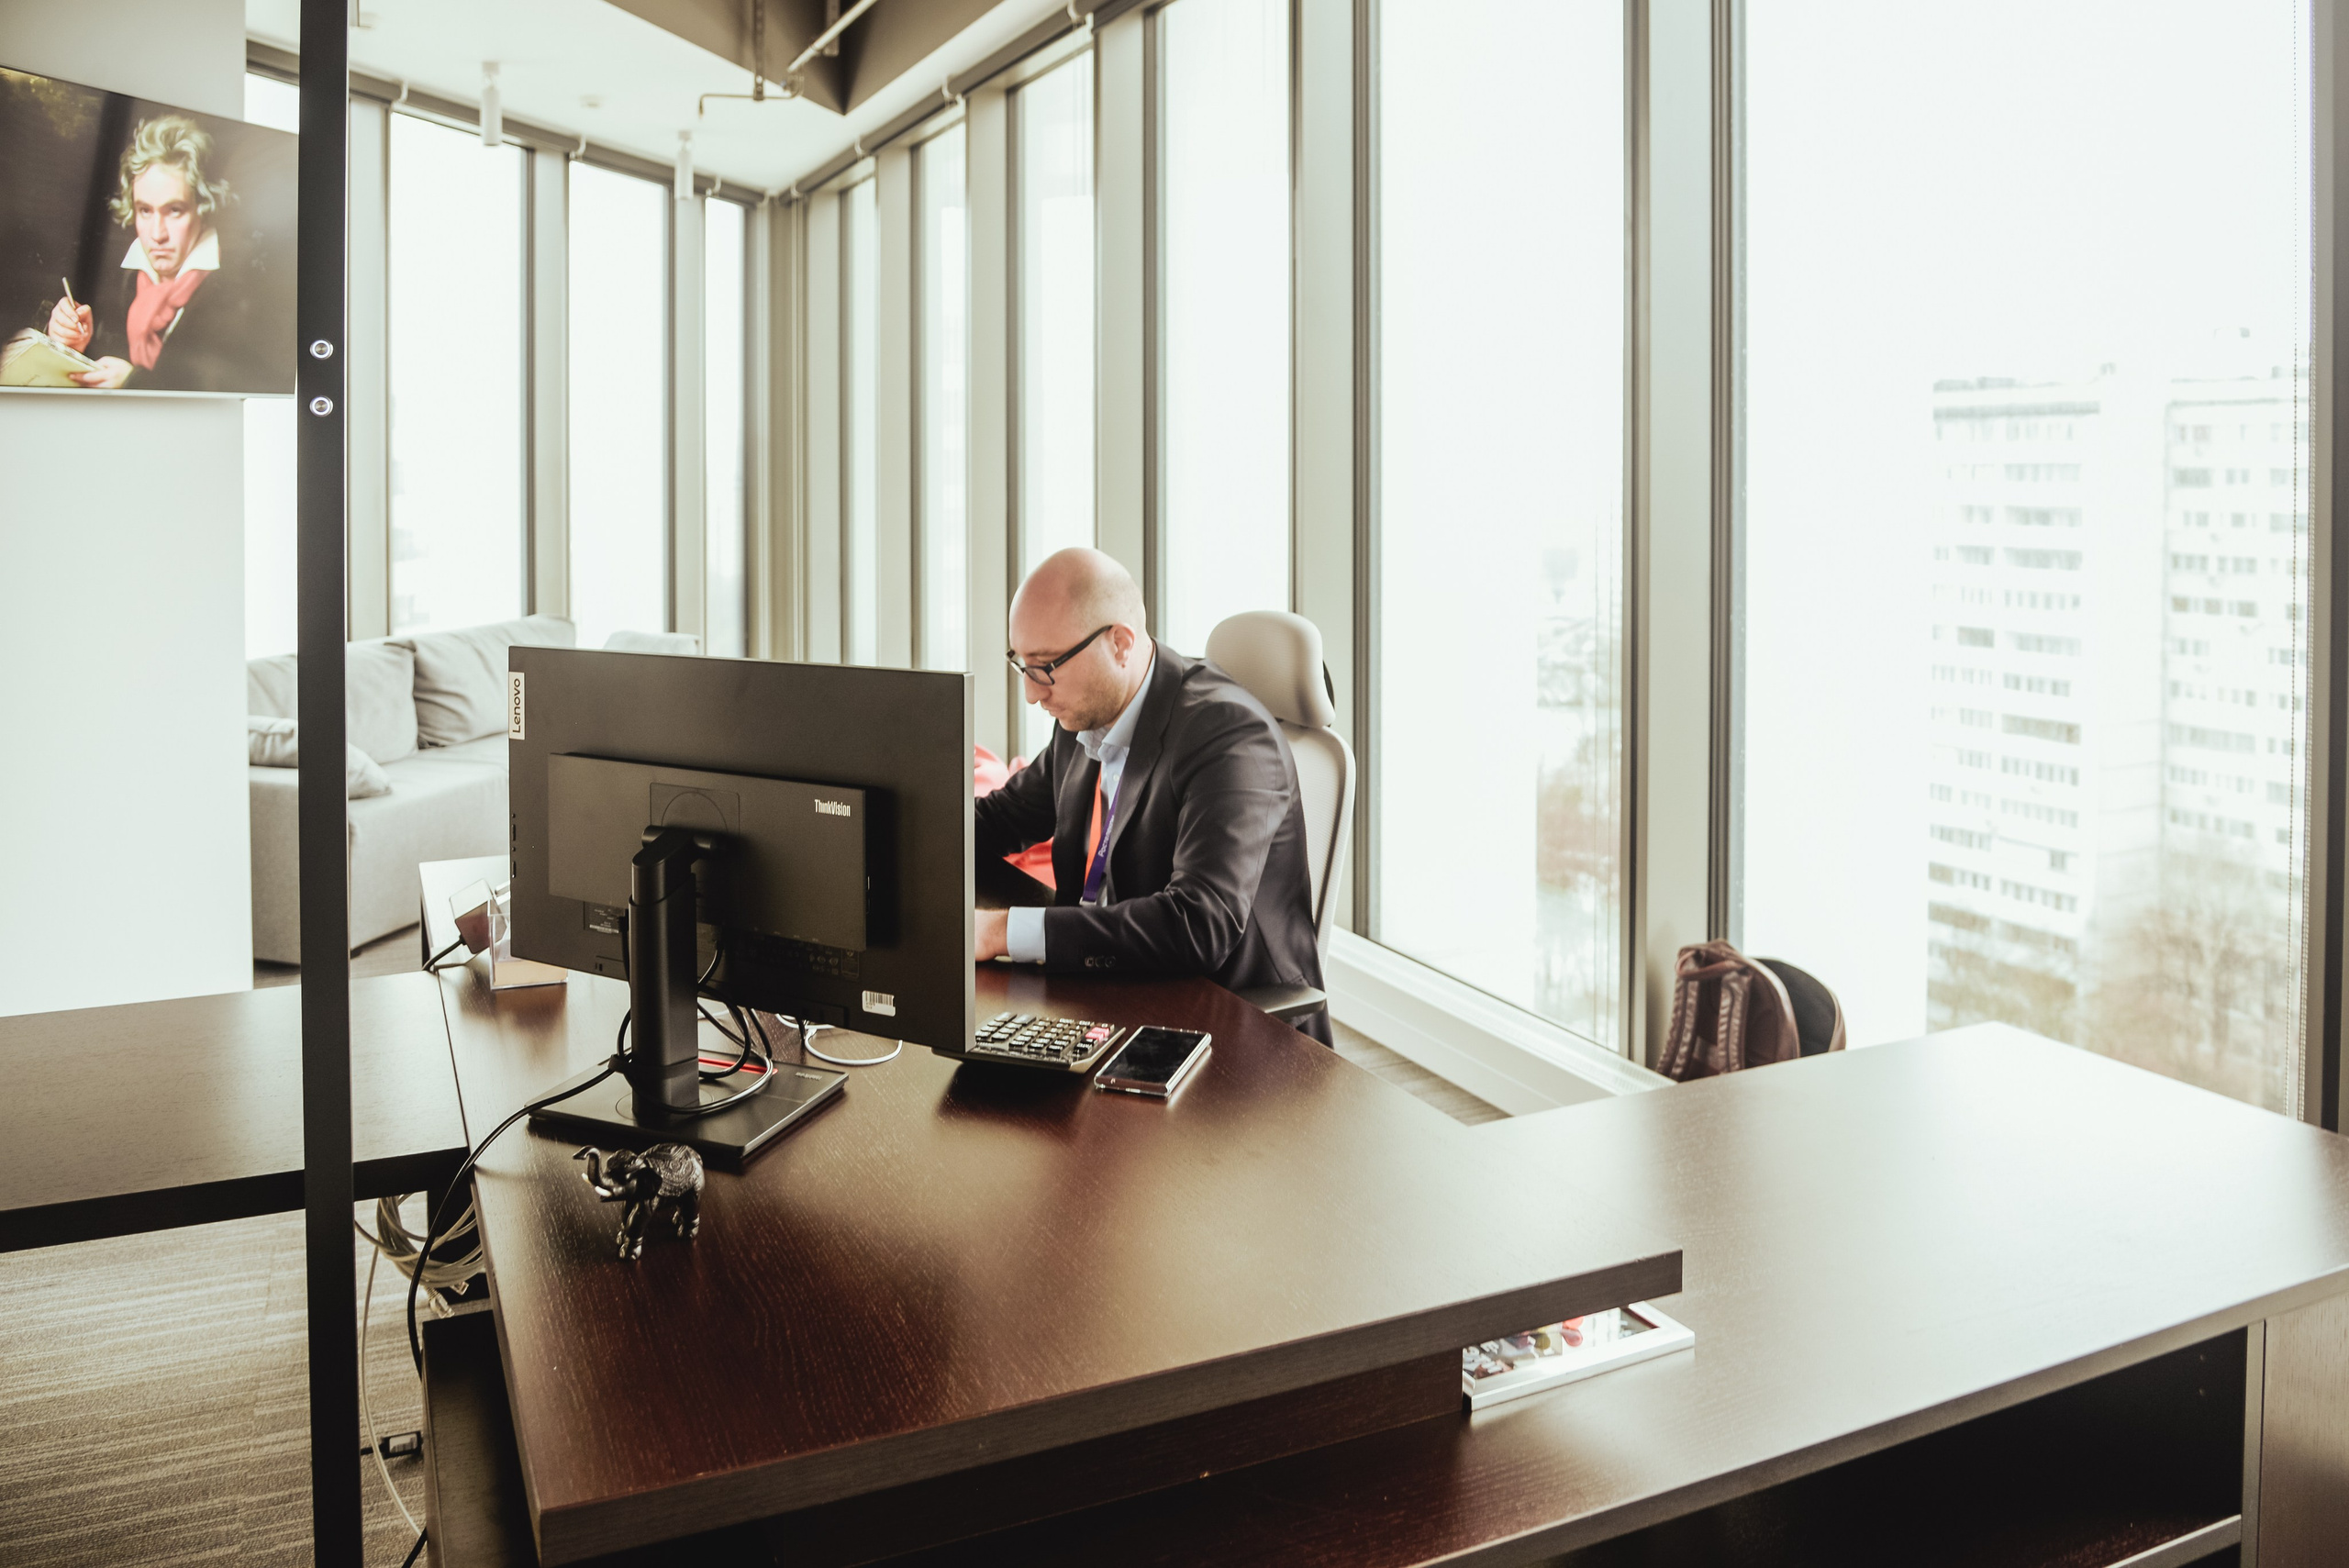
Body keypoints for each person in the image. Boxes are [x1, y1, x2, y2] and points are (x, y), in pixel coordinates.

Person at [974, 549, 1330, 1043]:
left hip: (1227, 1037)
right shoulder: (1085, 712)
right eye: (1023, 666)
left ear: (1120, 643)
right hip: (1109, 994)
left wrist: (999, 932)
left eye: (1045, 667)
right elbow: (1000, 818)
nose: (1034, 694)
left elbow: (1198, 923)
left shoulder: (1229, 735)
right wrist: (891, 835)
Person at [45, 114, 284, 394]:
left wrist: (134, 383)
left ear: (202, 208)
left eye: (174, 210)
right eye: (145, 210)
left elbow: (252, 387)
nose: (157, 234)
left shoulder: (243, 290)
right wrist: (71, 343)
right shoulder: (114, 277)